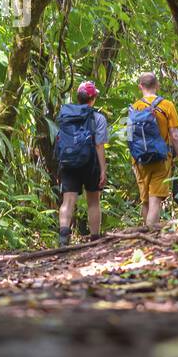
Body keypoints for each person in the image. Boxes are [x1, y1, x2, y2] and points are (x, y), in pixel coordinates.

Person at [128, 72, 178, 228]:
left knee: (145, 200)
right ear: (157, 85)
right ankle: (151, 234)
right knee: (155, 198)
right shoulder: (167, 105)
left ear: (140, 86)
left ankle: (146, 238)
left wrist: (134, 160)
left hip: (139, 159)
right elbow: (174, 136)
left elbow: (129, 137)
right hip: (162, 158)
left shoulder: (134, 107)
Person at [55, 80, 108, 247]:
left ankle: (64, 236)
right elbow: (99, 145)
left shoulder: (65, 115)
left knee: (68, 200)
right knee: (93, 201)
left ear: (78, 98)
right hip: (90, 162)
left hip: (68, 162)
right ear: (92, 99)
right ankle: (95, 239)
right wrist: (103, 170)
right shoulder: (98, 118)